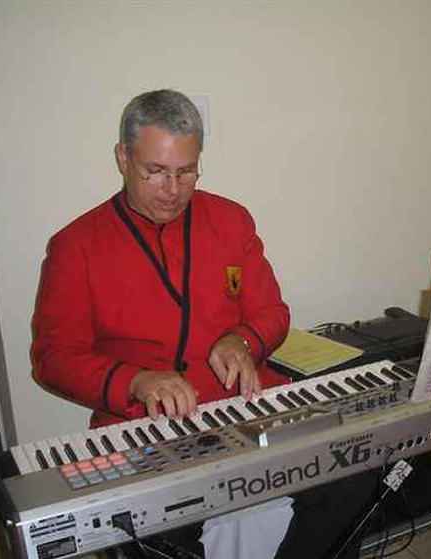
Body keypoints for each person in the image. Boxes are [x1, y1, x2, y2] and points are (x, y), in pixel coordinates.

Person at [31, 89, 293, 558]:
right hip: (140, 428)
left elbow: (273, 313)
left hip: (243, 413)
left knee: (344, 485)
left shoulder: (231, 220)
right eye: (155, 171)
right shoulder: (75, 246)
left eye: (186, 172)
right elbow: (53, 359)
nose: (173, 190)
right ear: (123, 158)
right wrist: (135, 381)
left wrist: (243, 340)